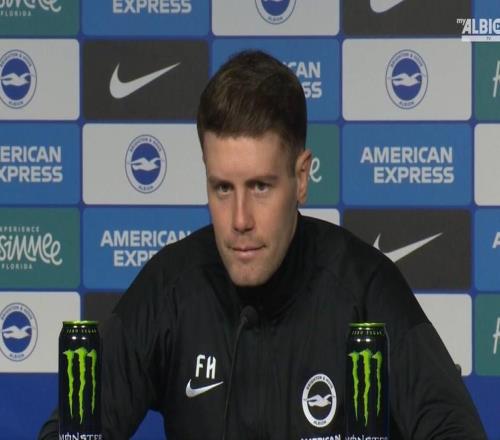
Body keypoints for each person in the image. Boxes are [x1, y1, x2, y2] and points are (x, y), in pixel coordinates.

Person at [39, 50, 486, 439]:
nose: (239, 220)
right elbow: (68, 431)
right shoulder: (172, 288)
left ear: (301, 178)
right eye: (222, 188)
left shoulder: (362, 287)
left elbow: (456, 431)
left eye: (260, 187)